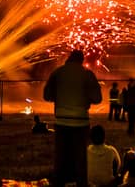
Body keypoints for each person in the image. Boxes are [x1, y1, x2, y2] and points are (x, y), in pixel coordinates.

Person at [43, 49, 103, 187]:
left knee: (60, 159)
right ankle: (81, 183)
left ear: (68, 59)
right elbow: (97, 98)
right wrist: (85, 98)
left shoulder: (58, 73)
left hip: (61, 121)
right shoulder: (87, 74)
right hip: (80, 122)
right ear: (82, 60)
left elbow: (47, 95)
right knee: (80, 160)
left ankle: (60, 182)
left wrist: (59, 97)